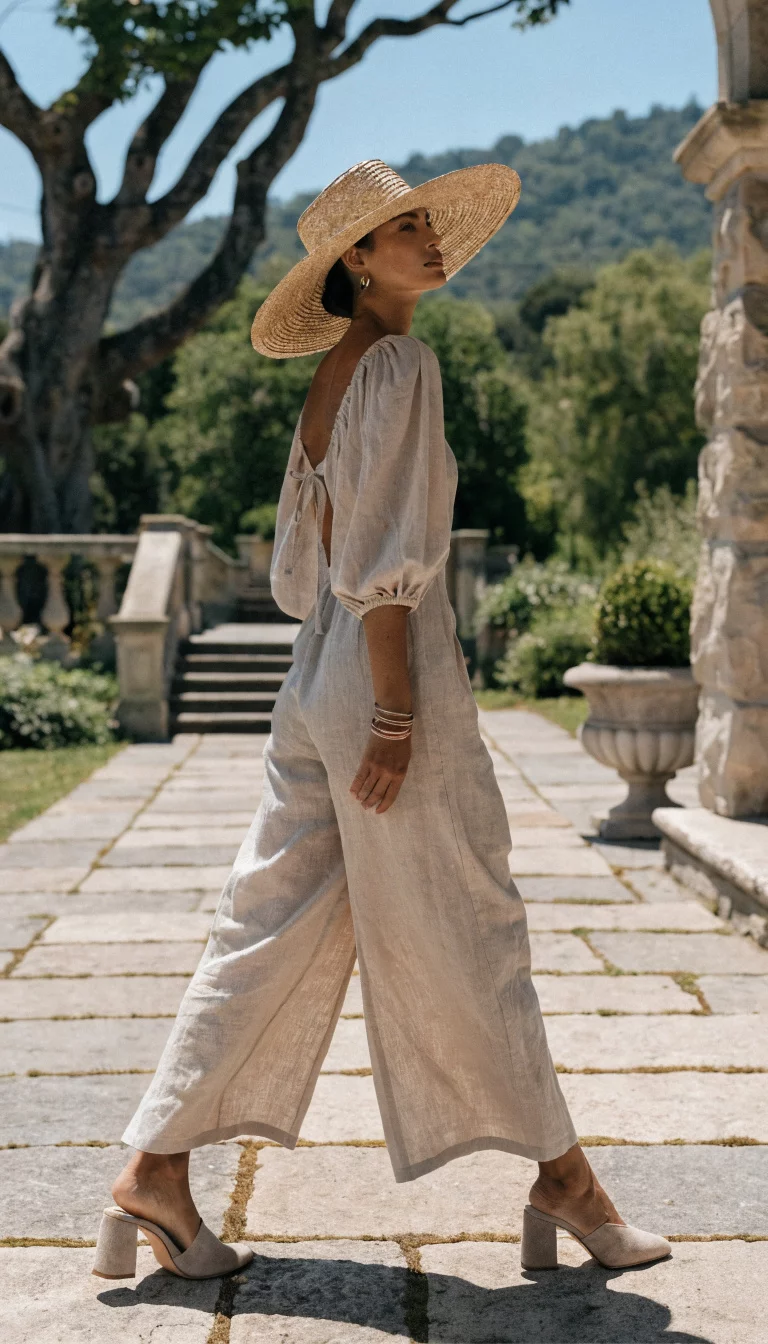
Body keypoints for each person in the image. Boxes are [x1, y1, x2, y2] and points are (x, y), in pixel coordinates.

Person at [94, 160, 671, 1283]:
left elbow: (301, 573)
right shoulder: (402, 362)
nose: (425, 240)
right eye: (398, 230)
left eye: (422, 223)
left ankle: (153, 1171)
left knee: (263, 926)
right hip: (383, 676)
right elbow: (382, 568)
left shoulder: (336, 375)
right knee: (474, 924)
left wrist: (359, 685)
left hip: (317, 677)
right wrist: (399, 713)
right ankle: (568, 1184)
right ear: (354, 263)